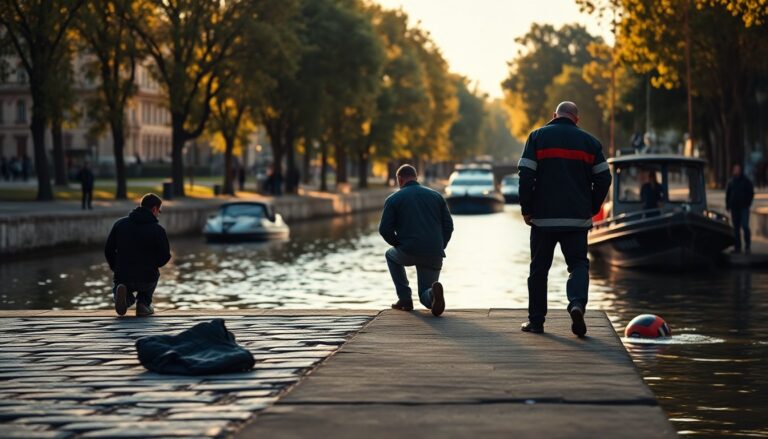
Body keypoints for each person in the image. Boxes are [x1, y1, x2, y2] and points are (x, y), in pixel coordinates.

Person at [518, 101, 612, 337]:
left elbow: (526, 176)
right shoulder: (590, 143)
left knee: (539, 269)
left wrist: (527, 209)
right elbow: (604, 179)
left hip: (543, 219)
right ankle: (577, 304)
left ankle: (536, 321)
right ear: (576, 119)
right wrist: (591, 206)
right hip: (576, 220)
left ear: (554, 115)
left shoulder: (537, 137)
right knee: (578, 265)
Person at [379, 164, 454, 316]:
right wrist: (440, 246)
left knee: (390, 255)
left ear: (400, 179)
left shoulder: (394, 199)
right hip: (434, 252)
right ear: (416, 177)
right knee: (424, 295)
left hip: (408, 250)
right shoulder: (437, 196)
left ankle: (405, 299)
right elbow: (449, 226)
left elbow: (384, 229)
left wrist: (397, 244)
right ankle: (432, 294)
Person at [105, 193, 171, 317]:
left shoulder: (120, 224)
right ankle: (143, 304)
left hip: (123, 274)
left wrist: (116, 267)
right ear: (154, 209)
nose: (158, 215)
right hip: (147, 277)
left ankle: (124, 298)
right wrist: (153, 265)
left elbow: (108, 250)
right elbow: (165, 255)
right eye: (158, 211)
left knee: (121, 283)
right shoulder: (158, 230)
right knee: (153, 276)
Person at [726, 163, 754, 254]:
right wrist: (728, 205)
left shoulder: (746, 181)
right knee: (736, 228)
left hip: (744, 207)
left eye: (738, 169)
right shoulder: (731, 182)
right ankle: (737, 247)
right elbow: (728, 194)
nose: (736, 171)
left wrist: (748, 203)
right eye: (735, 169)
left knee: (745, 226)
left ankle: (747, 246)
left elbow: (751, 193)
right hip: (734, 208)